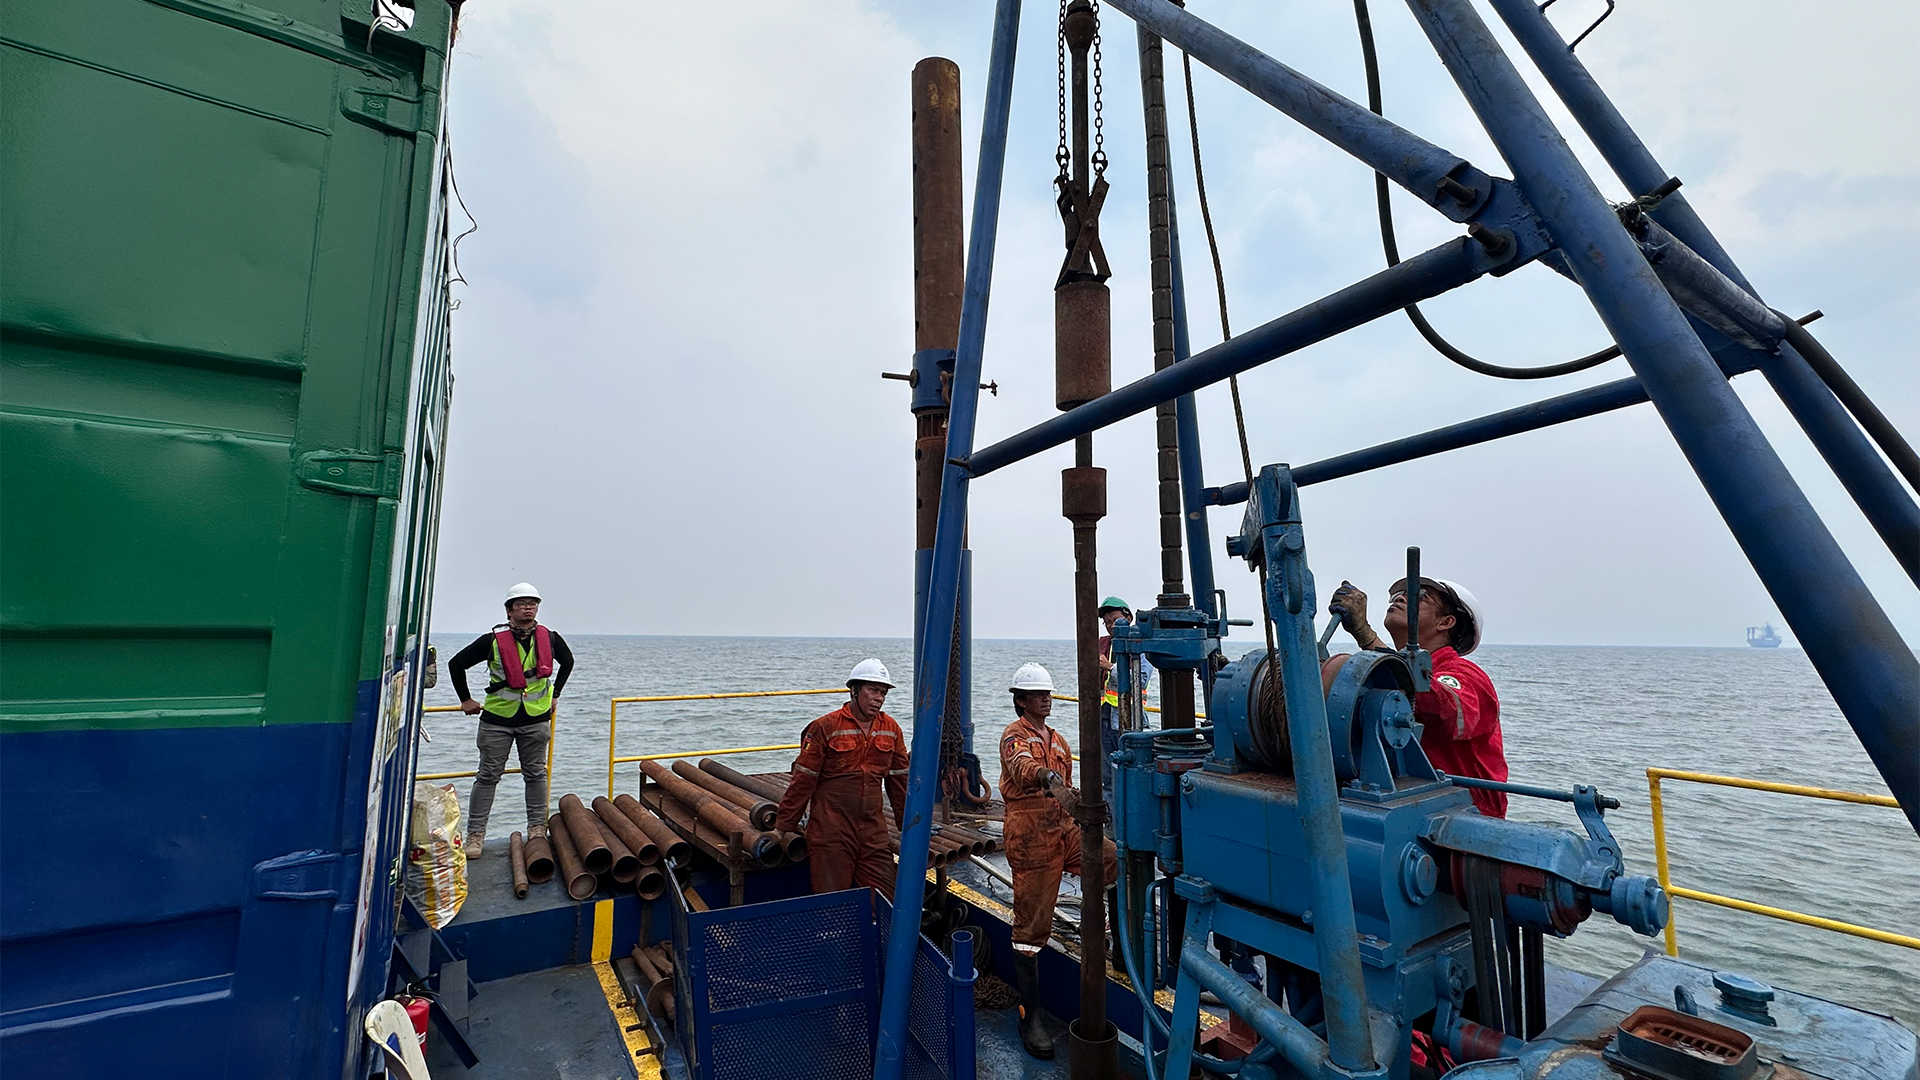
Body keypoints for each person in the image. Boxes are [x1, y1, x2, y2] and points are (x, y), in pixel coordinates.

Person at [999, 662, 1119, 1060]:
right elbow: (1022, 766)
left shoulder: (1060, 741)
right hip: (1031, 833)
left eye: (1048, 694)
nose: (1046, 700)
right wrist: (1045, 777)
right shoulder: (1014, 735)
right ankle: (1030, 1016)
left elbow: (1066, 785)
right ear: (1021, 701)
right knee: (1032, 927)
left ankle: (1113, 939)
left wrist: (1080, 801)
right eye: (1037, 695)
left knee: (1110, 858)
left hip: (1064, 827)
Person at [1326, 576, 1507, 817]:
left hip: (1470, 815)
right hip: (1406, 803)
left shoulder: (1467, 675)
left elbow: (1445, 712)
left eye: (1419, 596)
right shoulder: (1386, 676)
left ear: (1446, 622)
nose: (1400, 599)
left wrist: (1367, 637)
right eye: (1396, 596)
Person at [449, 582, 575, 855]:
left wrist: (556, 694)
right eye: (522, 604)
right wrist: (466, 700)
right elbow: (456, 664)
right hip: (497, 720)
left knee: (536, 774)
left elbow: (568, 662)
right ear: (509, 610)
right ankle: (475, 836)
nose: (528, 608)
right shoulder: (492, 641)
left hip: (536, 719)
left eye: (533, 604)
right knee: (487, 776)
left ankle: (537, 829)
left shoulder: (550, 638)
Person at [773, 659, 909, 899]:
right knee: (833, 899)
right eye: (873, 690)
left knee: (886, 896)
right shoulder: (825, 726)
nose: (879, 698)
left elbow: (899, 783)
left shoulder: (891, 728)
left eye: (883, 692)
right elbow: (803, 782)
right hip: (831, 830)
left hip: (873, 831)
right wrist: (782, 827)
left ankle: (877, 925)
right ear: (854, 690)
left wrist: (908, 826)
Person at [1097, 596, 1150, 794]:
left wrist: (1109, 667)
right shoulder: (1103, 645)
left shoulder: (1139, 645)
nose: (1111, 625)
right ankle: (1111, 810)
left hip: (1129, 720)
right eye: (1107, 622)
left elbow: (1141, 679)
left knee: (1130, 772)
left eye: (1115, 620)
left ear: (1128, 618)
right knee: (1108, 776)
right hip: (1103, 717)